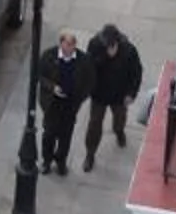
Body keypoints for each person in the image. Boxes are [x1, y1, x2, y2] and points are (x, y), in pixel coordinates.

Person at [84, 26, 146, 167]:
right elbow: (89, 66)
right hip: (99, 93)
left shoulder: (129, 50)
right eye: (106, 45)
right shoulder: (95, 45)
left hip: (119, 94)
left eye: (111, 45)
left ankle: (119, 131)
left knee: (120, 118)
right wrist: (105, 57)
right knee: (94, 124)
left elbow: (136, 72)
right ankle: (90, 153)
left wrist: (131, 94)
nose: (109, 47)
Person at [36, 32, 89, 176]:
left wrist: (80, 98)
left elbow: (89, 81)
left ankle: (61, 162)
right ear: (61, 43)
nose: (70, 48)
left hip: (70, 105)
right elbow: (40, 75)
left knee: (66, 136)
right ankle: (46, 161)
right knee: (49, 135)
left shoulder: (83, 60)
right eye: (67, 44)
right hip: (52, 104)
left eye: (73, 45)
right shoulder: (49, 56)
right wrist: (53, 87)